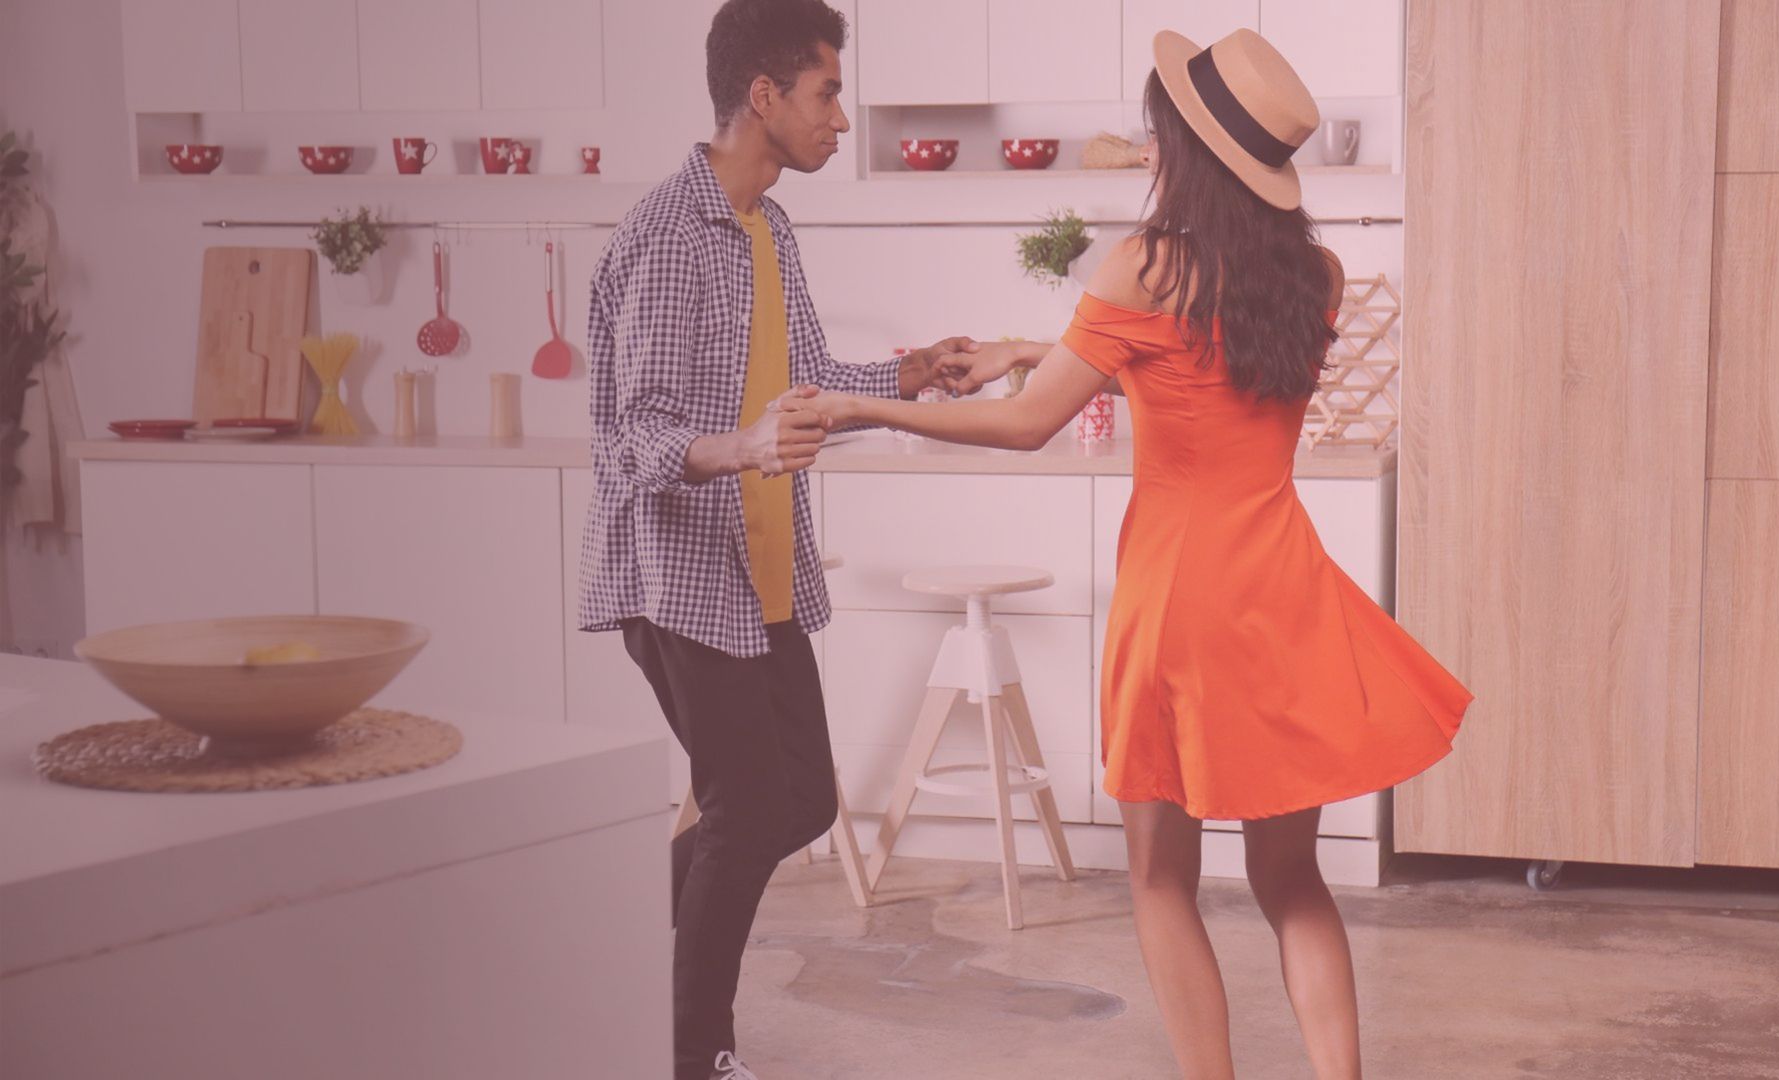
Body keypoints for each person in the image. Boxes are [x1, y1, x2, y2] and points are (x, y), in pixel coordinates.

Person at [806, 29, 1473, 1080]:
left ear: (1182, 144)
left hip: (1179, 598)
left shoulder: (1142, 264)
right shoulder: (1316, 273)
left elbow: (1030, 424)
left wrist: (862, 403)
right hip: (1283, 585)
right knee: (1290, 879)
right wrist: (1048, 350)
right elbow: (1208, 377)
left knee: (1161, 878)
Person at [576, 2, 1038, 1077]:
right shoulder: (662, 236)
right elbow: (627, 439)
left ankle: (600, 930)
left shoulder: (767, 227)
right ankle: (698, 1054)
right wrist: (741, 447)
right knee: (744, 808)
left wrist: (912, 374)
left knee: (801, 801)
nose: (842, 116)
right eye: (828, 92)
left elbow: (809, 390)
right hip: (679, 573)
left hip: (759, 568)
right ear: (763, 96)